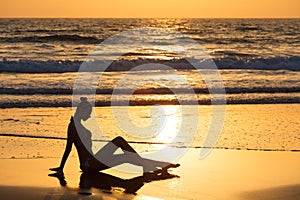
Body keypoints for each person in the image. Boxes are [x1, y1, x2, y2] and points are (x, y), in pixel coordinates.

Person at [50, 97, 180, 175]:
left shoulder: (80, 125)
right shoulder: (73, 126)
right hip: (88, 165)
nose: (89, 116)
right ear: (82, 111)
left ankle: (160, 165)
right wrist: (61, 168)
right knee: (120, 145)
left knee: (124, 153)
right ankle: (153, 165)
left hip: (94, 160)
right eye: (88, 113)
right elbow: (68, 148)